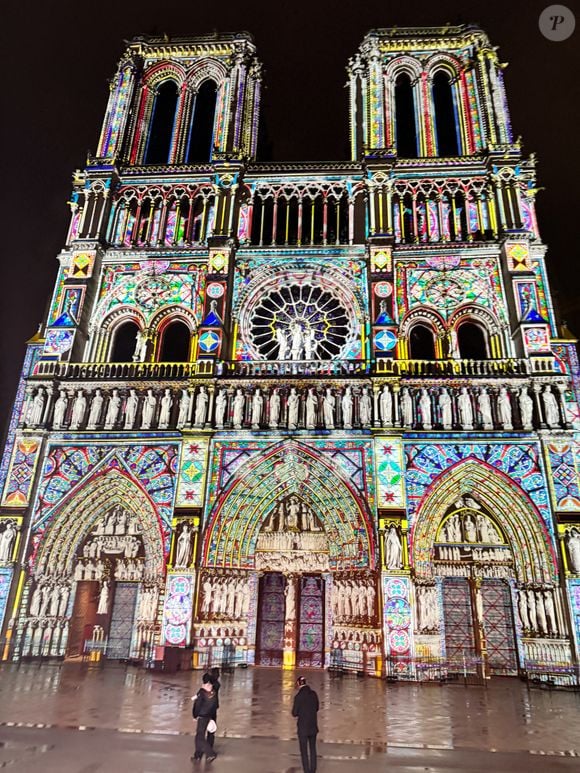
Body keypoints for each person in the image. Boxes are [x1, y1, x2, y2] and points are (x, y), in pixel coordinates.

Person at [292, 675, 319, 773]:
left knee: (304, 752)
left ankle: (306, 771)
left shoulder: (298, 697)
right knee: (313, 749)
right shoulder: (314, 694)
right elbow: (317, 708)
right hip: (313, 727)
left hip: (303, 729)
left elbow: (294, 713)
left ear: (298, 684)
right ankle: (313, 770)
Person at [192, 674, 218, 762]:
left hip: (202, 717)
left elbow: (197, 706)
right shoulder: (214, 693)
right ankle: (197, 755)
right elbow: (215, 706)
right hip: (209, 716)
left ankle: (210, 754)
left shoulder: (201, 693)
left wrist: (195, 716)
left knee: (199, 737)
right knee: (201, 736)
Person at [205, 667, 221, 749]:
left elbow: (206, 678)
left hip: (208, 707)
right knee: (212, 726)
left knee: (208, 726)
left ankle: (208, 744)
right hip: (213, 707)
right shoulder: (216, 683)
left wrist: (208, 672)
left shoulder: (212, 684)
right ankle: (209, 744)